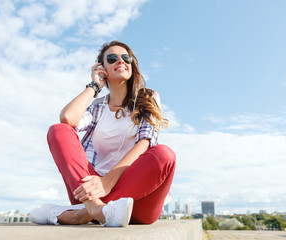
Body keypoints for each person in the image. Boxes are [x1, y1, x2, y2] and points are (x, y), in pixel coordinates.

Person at [30, 41, 176, 227]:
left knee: (164, 154)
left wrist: (107, 182)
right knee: (59, 130)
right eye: (112, 58)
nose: (120, 61)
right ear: (102, 68)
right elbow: (67, 118)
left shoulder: (148, 97)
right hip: (91, 191)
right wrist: (94, 86)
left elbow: (145, 142)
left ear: (132, 65)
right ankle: (96, 210)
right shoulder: (97, 107)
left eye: (126, 58)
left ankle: (84, 215)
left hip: (138, 198)